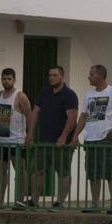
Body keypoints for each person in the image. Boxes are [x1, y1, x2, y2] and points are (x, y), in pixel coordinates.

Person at [71, 64, 112, 213]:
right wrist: (75, 135)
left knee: (111, 172)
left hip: (106, 138)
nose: (89, 77)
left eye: (91, 74)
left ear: (100, 75)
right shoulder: (89, 94)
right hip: (91, 138)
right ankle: (95, 203)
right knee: (93, 173)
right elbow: (84, 116)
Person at [28, 66, 79, 209]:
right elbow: (36, 112)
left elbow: (72, 117)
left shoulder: (69, 95)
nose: (51, 78)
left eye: (55, 75)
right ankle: (34, 200)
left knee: (62, 172)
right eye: (50, 75)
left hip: (61, 143)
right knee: (36, 169)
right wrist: (30, 132)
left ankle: (59, 202)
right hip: (44, 140)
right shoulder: (45, 92)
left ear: (62, 76)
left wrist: (63, 137)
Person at [0, 68, 32, 207]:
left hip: (17, 139)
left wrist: (30, 135)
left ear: (14, 80)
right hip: (1, 139)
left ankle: (20, 200)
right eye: (4, 79)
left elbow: (29, 115)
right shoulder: (0, 94)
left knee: (20, 170)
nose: (6, 81)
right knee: (0, 169)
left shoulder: (20, 96)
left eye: (9, 79)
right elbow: (0, 113)